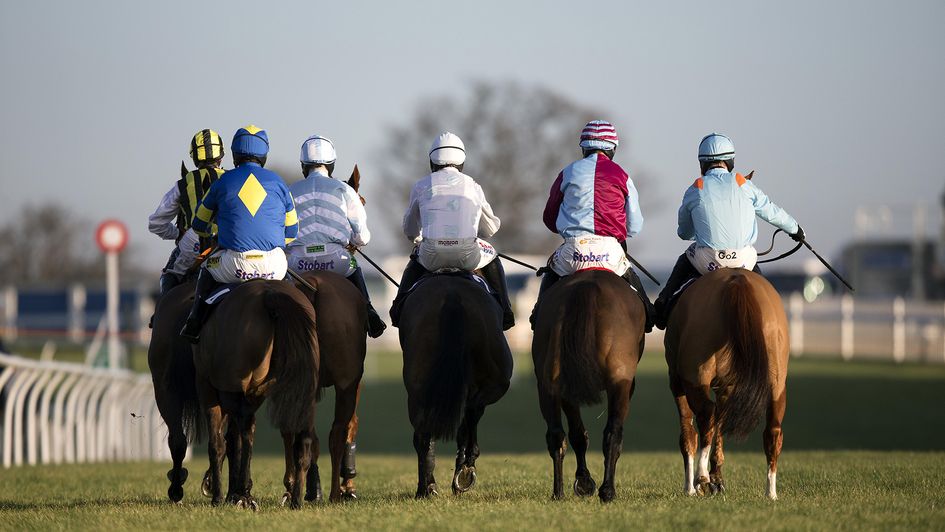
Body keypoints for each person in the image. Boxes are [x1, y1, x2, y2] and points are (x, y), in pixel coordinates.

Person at [653, 133, 805, 329]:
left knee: (685, 258)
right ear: (731, 161)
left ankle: (662, 307)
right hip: (744, 260)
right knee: (765, 292)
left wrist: (697, 233)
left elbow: (683, 233)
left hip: (708, 262)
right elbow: (771, 211)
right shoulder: (743, 183)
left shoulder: (695, 188)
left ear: (702, 164)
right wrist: (795, 229)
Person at [179, 125, 299, 343]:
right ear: (264, 154)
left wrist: (213, 234)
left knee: (206, 269)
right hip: (274, 266)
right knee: (290, 283)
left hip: (235, 266)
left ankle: (195, 321)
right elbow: (292, 231)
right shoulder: (278, 182)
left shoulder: (223, 182)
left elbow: (198, 223)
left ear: (234, 155)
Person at [535, 120, 655, 332]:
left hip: (573, 252)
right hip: (610, 253)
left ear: (584, 147)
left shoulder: (568, 172)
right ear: (613, 148)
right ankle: (650, 315)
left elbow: (549, 218)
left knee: (549, 278)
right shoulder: (622, 175)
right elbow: (634, 226)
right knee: (636, 289)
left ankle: (537, 315)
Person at [389, 132, 514, 330]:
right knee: (492, 253)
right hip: (468, 256)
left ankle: (398, 306)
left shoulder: (421, 185)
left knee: (416, 254)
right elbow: (490, 228)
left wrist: (416, 238)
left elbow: (410, 228)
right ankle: (506, 311)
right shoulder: (473, 185)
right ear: (462, 161)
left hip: (431, 257)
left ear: (432, 161)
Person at [286, 134, 387, 338]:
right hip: (335, 261)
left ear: (303, 165)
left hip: (297, 264)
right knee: (354, 267)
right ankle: (370, 313)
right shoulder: (345, 189)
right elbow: (363, 237)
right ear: (331, 165)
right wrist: (353, 241)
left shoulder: (289, 191)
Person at [148, 129, 226, 296]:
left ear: (194, 157)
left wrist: (178, 233)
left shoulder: (183, 184)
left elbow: (156, 223)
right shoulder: (233, 178)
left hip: (194, 241)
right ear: (222, 155)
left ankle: (163, 318)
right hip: (229, 240)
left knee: (169, 275)